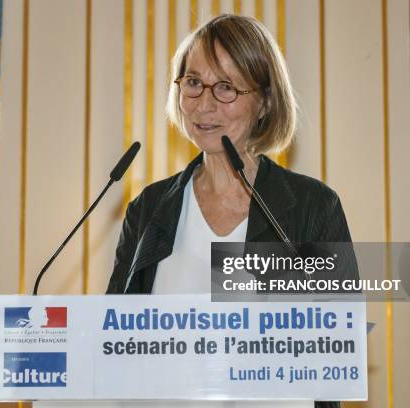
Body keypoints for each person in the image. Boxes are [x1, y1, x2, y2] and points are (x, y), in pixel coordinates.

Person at [107, 14, 356, 408]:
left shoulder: (313, 207)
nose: (204, 104)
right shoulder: (150, 209)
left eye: (225, 87)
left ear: (265, 101)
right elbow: (114, 341)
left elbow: (337, 354)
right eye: (193, 83)